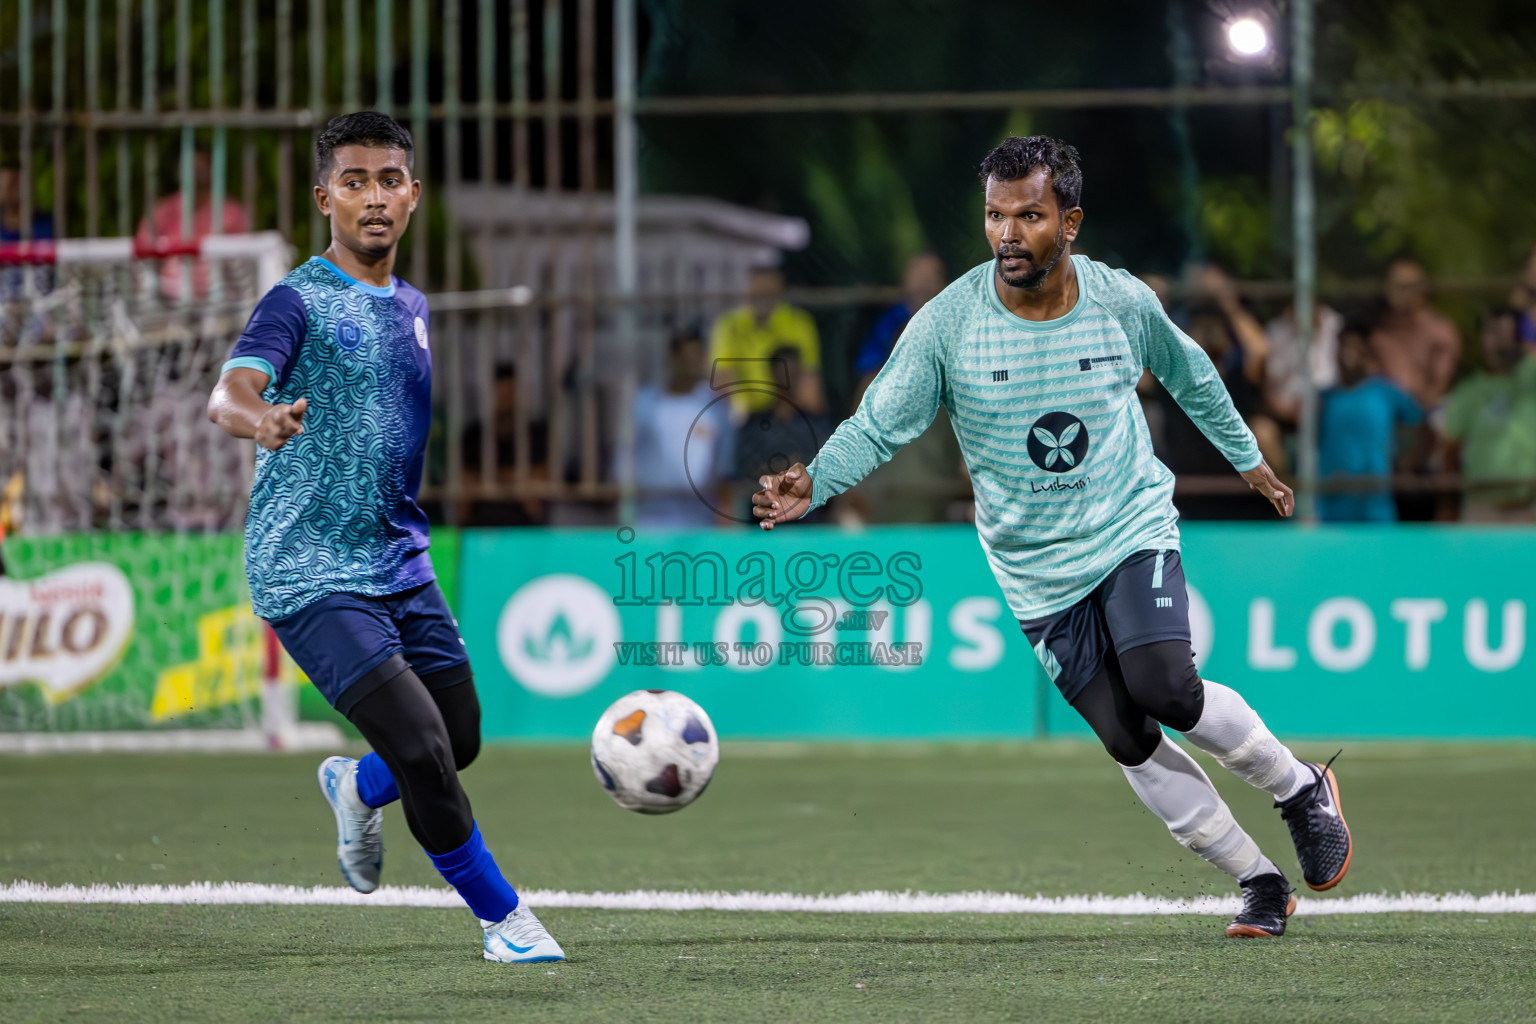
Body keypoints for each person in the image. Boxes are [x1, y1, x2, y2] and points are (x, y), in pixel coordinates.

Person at [751, 136, 1352, 940]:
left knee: (1165, 684)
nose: (1007, 234)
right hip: (1033, 568)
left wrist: (1249, 459)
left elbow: (1191, 372)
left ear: (1069, 222)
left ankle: (1298, 789)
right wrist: (814, 482)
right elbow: (877, 424)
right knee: (1127, 736)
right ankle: (1257, 880)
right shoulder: (950, 323)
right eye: (995, 216)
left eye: (1028, 216)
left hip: (1128, 527)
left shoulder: (1120, 301)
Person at [206, 112, 563, 964]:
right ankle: (503, 919)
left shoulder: (412, 304)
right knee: (425, 748)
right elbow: (228, 393)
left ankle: (355, 785)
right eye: (356, 181)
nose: (375, 197)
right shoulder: (298, 299)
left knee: (460, 735)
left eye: (390, 180)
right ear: (324, 196)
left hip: (399, 560)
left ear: (413, 195)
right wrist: (261, 421)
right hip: (311, 568)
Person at [622, 328, 735, 528]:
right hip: (650, 519)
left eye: (696, 357)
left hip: (701, 522)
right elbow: (624, 460)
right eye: (685, 358)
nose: (691, 365)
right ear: (672, 358)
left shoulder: (716, 409)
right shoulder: (645, 403)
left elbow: (725, 469)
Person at [1316, 324, 1423, 522]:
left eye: (1354, 347)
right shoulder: (1324, 398)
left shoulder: (1385, 392)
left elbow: (1419, 423)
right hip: (1331, 506)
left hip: (1375, 505)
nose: (1348, 354)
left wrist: (1407, 465)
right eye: (1343, 347)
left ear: (1366, 352)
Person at [1441, 308, 1536, 524]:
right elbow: (1450, 451)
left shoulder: (1532, 380)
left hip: (1530, 507)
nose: (1495, 342)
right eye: (1489, 333)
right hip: (1481, 509)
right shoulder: (1470, 390)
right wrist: (1448, 505)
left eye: (1502, 333)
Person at [709, 265, 826, 417]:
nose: (762, 298)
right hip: (744, 416)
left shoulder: (799, 322)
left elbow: (809, 378)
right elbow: (722, 376)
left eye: (768, 293)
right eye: (756, 292)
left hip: (789, 412)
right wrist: (743, 407)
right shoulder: (729, 324)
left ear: (780, 292)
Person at [136, 150, 251, 302]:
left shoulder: (231, 213)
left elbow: (242, 265)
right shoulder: (163, 211)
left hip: (218, 301)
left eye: (201, 164)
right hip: (168, 301)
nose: (196, 170)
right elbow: (141, 258)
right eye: (191, 164)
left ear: (212, 169)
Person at [1369, 255, 1461, 410]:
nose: (1398, 292)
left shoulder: (1440, 334)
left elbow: (1437, 391)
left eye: (1406, 286)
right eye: (1393, 285)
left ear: (1423, 289)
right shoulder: (1377, 334)